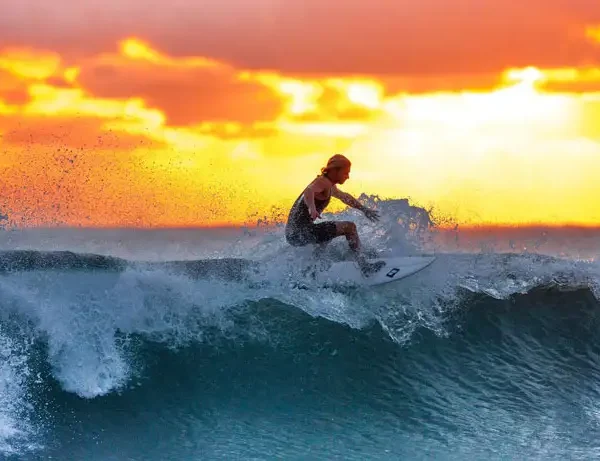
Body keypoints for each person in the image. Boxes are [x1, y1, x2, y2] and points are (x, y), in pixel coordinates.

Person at [285, 154, 386, 276]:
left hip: (294, 234)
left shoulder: (328, 184)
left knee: (327, 235)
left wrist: (364, 209)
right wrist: (312, 208)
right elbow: (309, 191)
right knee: (350, 227)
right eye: (345, 173)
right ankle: (364, 265)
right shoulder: (323, 182)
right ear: (335, 170)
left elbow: (345, 197)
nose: (348, 177)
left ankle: (312, 271)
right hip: (300, 233)